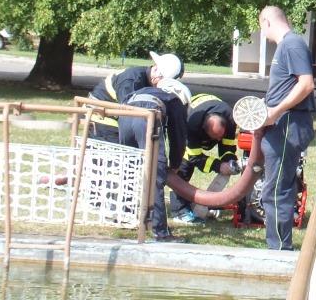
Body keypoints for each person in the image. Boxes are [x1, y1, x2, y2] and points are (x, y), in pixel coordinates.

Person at [257, 5, 315, 251]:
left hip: (287, 124)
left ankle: (280, 251)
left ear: (267, 22)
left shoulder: (292, 44)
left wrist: (275, 112)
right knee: (277, 188)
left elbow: (306, 84)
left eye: (261, 27)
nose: (263, 33)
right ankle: (279, 246)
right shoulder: (287, 46)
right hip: (282, 124)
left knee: (276, 190)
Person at [106, 77, 191, 242]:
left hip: (125, 116)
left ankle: (123, 214)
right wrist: (174, 164)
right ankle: (160, 231)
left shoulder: (142, 90)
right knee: (155, 175)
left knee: (128, 168)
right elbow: (178, 137)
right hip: (148, 118)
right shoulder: (175, 100)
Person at [169, 93, 240, 224]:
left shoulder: (230, 118)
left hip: (212, 113)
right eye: (215, 137)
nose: (219, 139)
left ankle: (200, 204)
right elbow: (195, 157)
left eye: (221, 136)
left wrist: (229, 161)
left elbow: (228, 146)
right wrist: (218, 166)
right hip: (186, 126)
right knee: (183, 168)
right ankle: (179, 211)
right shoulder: (191, 125)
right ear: (204, 129)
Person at [86, 51, 184, 142]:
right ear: (156, 71)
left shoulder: (147, 80)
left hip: (113, 117)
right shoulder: (132, 81)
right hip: (102, 119)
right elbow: (128, 111)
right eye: (163, 82)